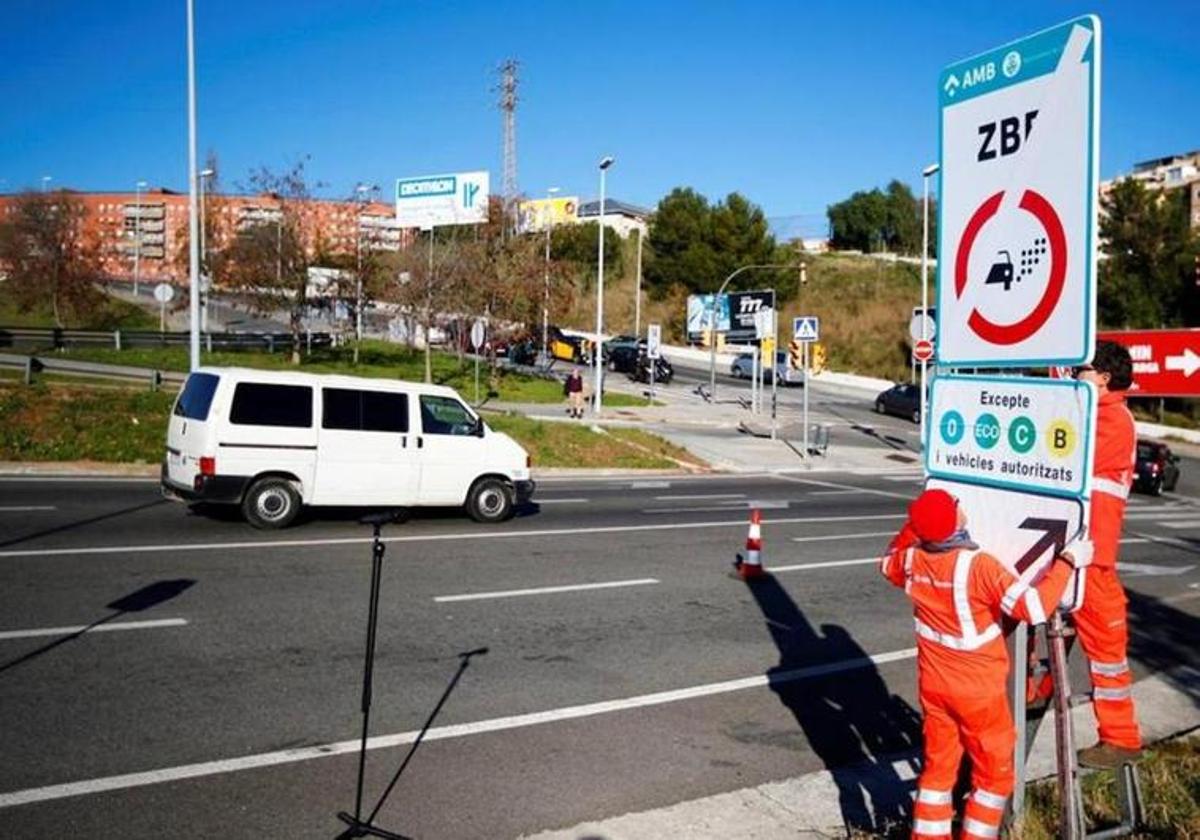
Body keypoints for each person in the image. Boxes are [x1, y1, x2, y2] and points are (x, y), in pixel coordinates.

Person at [879, 488, 1092, 840]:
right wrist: (1069, 560)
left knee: (938, 771)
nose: (962, 506)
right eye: (955, 506)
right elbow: (1034, 608)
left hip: (934, 689)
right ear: (953, 522)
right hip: (979, 694)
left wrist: (914, 525)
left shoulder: (911, 561)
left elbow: (887, 561)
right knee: (994, 776)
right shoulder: (979, 568)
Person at [1071, 341, 1142, 768]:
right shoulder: (1097, 414)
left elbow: (1070, 458)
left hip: (1093, 553)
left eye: (1083, 370)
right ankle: (1034, 691)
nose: (1076, 374)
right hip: (1076, 547)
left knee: (1106, 648)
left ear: (1103, 377)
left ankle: (1120, 738)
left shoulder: (1113, 419)